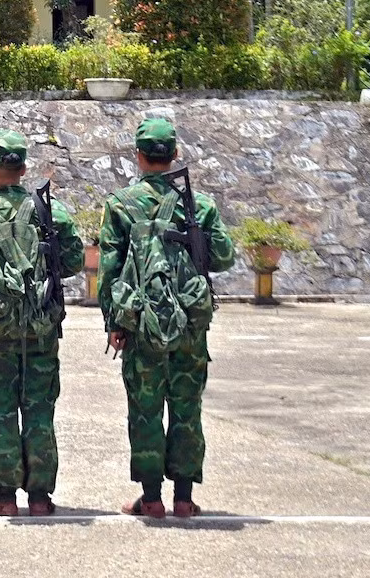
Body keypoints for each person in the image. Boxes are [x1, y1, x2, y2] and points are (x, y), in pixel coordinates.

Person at [100, 118, 236, 519]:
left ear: (139, 157)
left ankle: (151, 497)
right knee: (186, 407)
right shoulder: (201, 204)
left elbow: (110, 270)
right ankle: (184, 497)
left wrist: (115, 323)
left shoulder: (120, 205)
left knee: (145, 408)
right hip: (190, 324)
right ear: (174, 154)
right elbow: (224, 257)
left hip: (141, 322)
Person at [0, 130, 84, 517]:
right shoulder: (50, 212)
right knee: (40, 407)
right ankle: (40, 497)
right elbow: (73, 261)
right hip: (40, 325)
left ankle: (4, 496)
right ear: (23, 169)